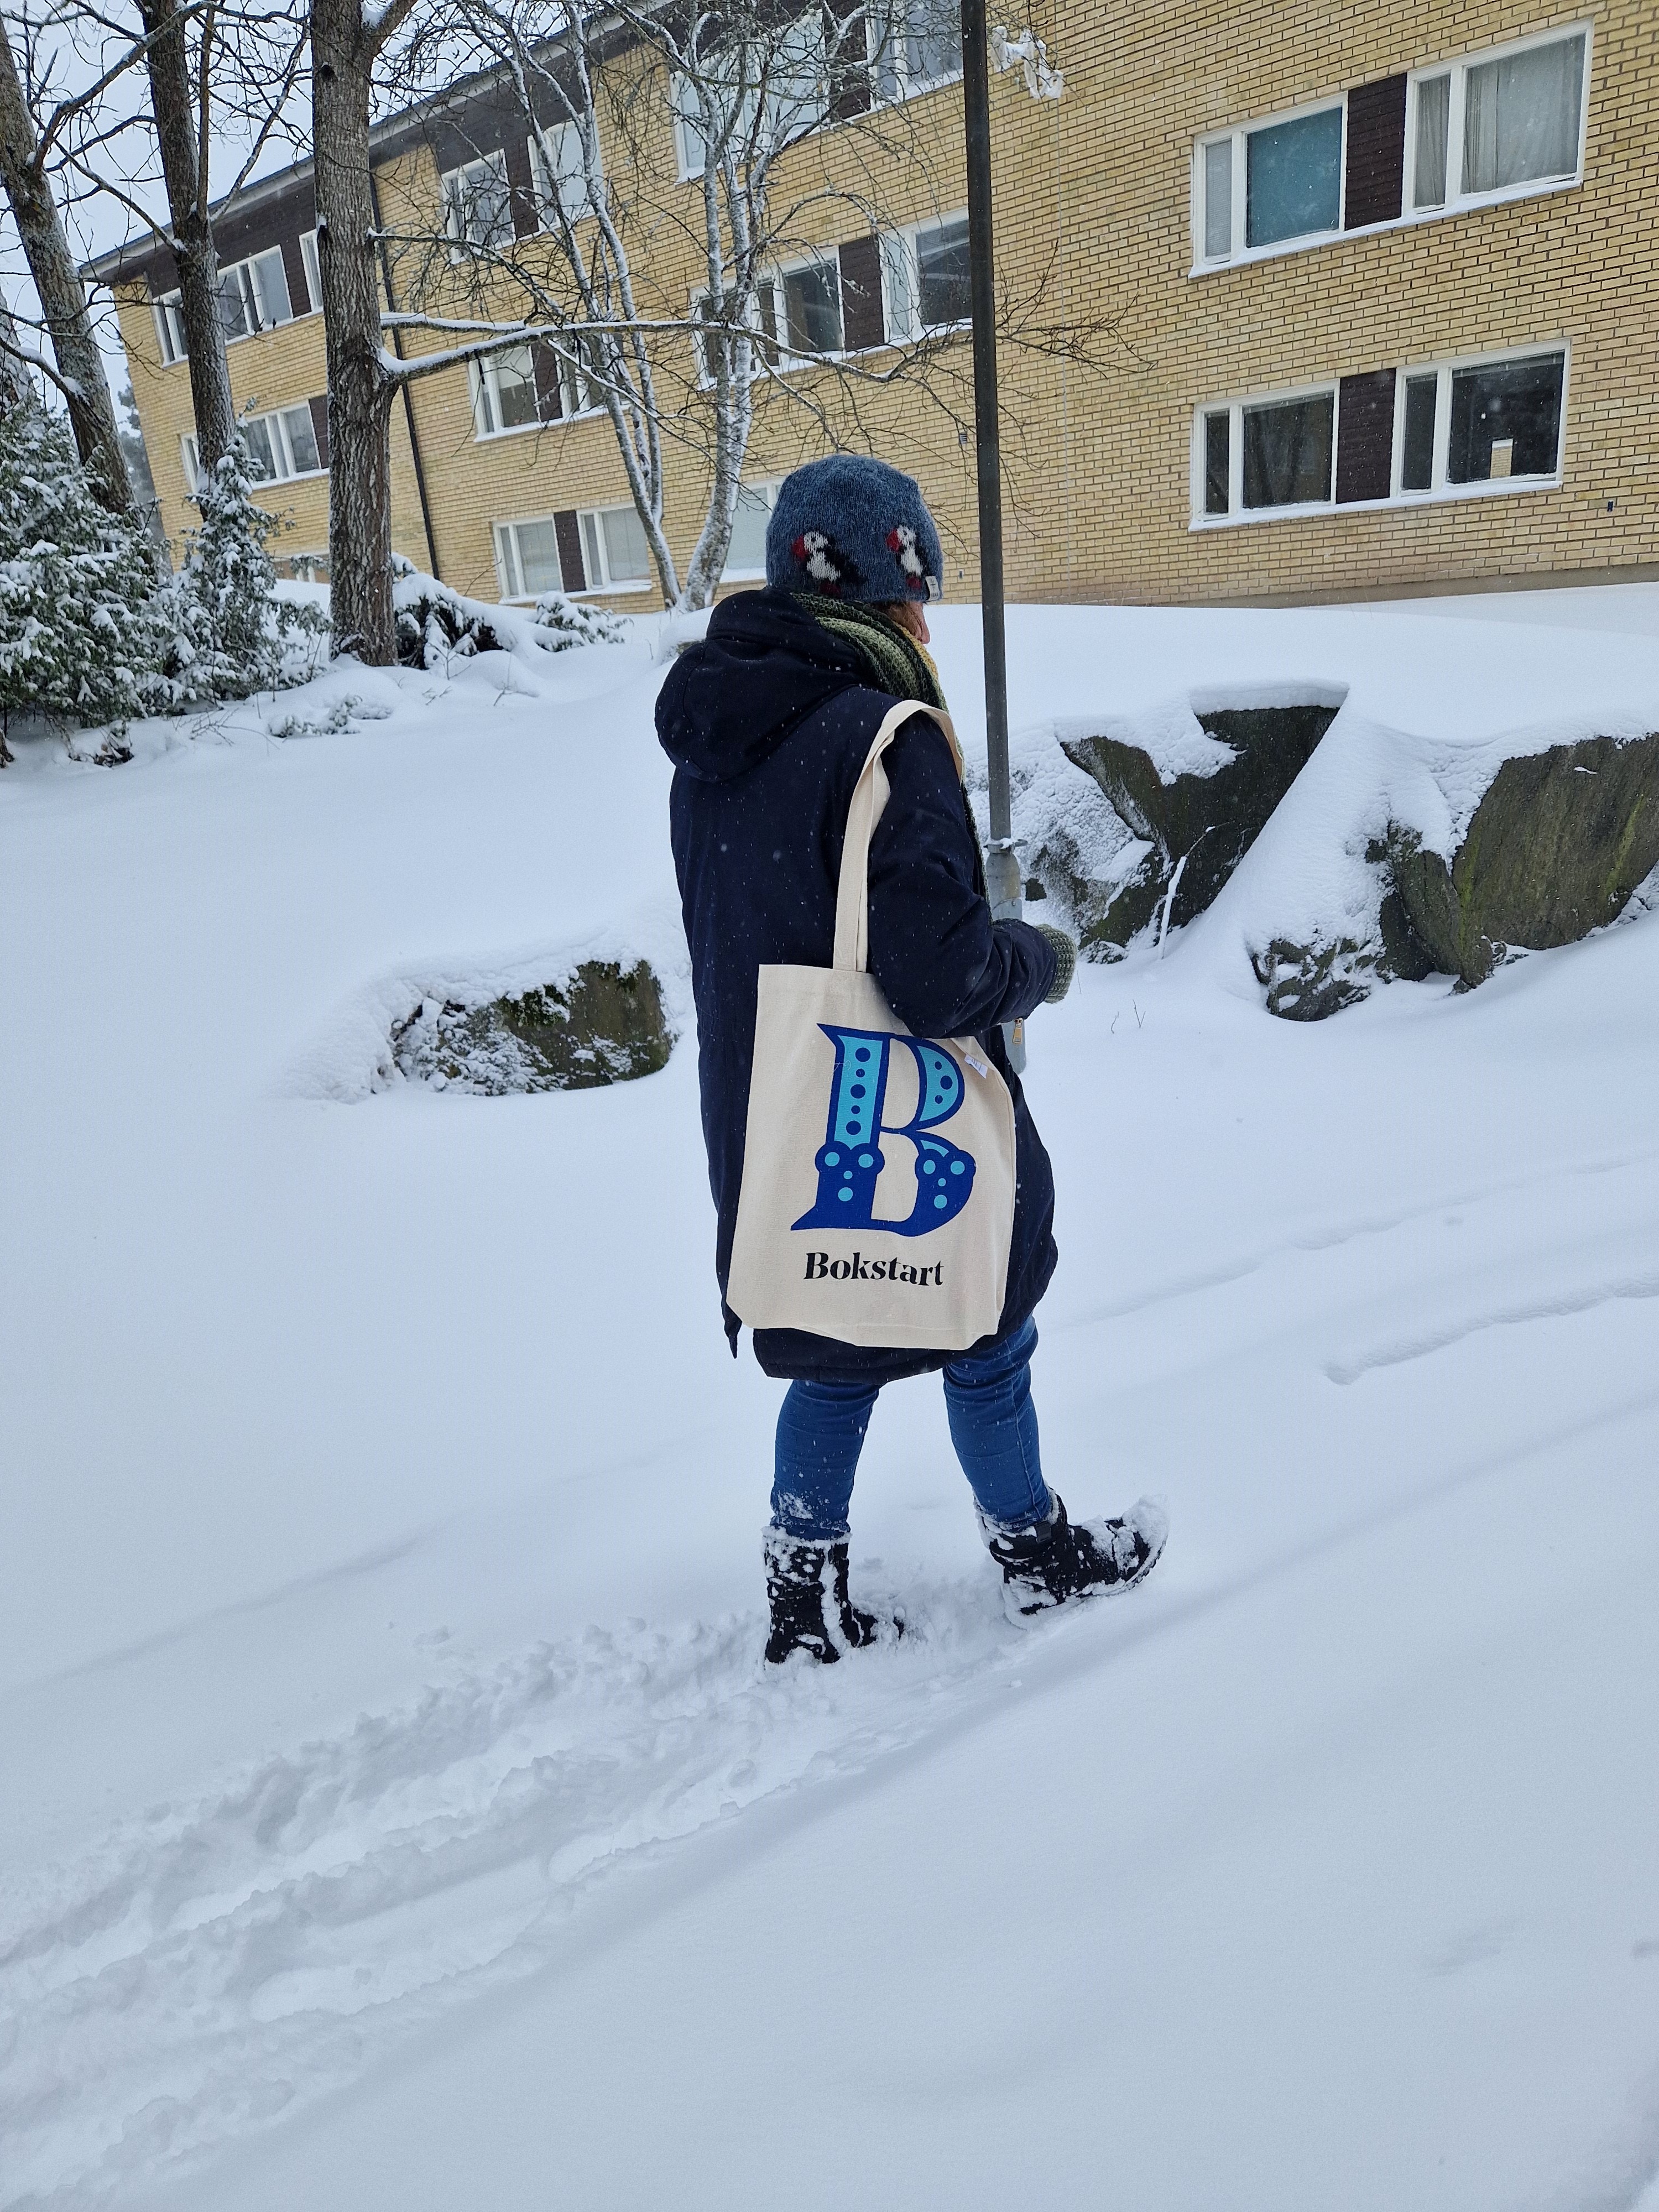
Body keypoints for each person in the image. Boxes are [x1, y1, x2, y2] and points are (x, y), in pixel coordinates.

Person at [656, 455, 1166, 1663]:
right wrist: (1033, 959)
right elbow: (940, 982)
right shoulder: (887, 738)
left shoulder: (714, 739)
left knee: (835, 1345)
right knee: (989, 1331)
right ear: (870, 595)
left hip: (778, 1112)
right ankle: (1035, 1557)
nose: (926, 624)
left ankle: (803, 1593)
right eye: (912, 594)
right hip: (903, 1123)